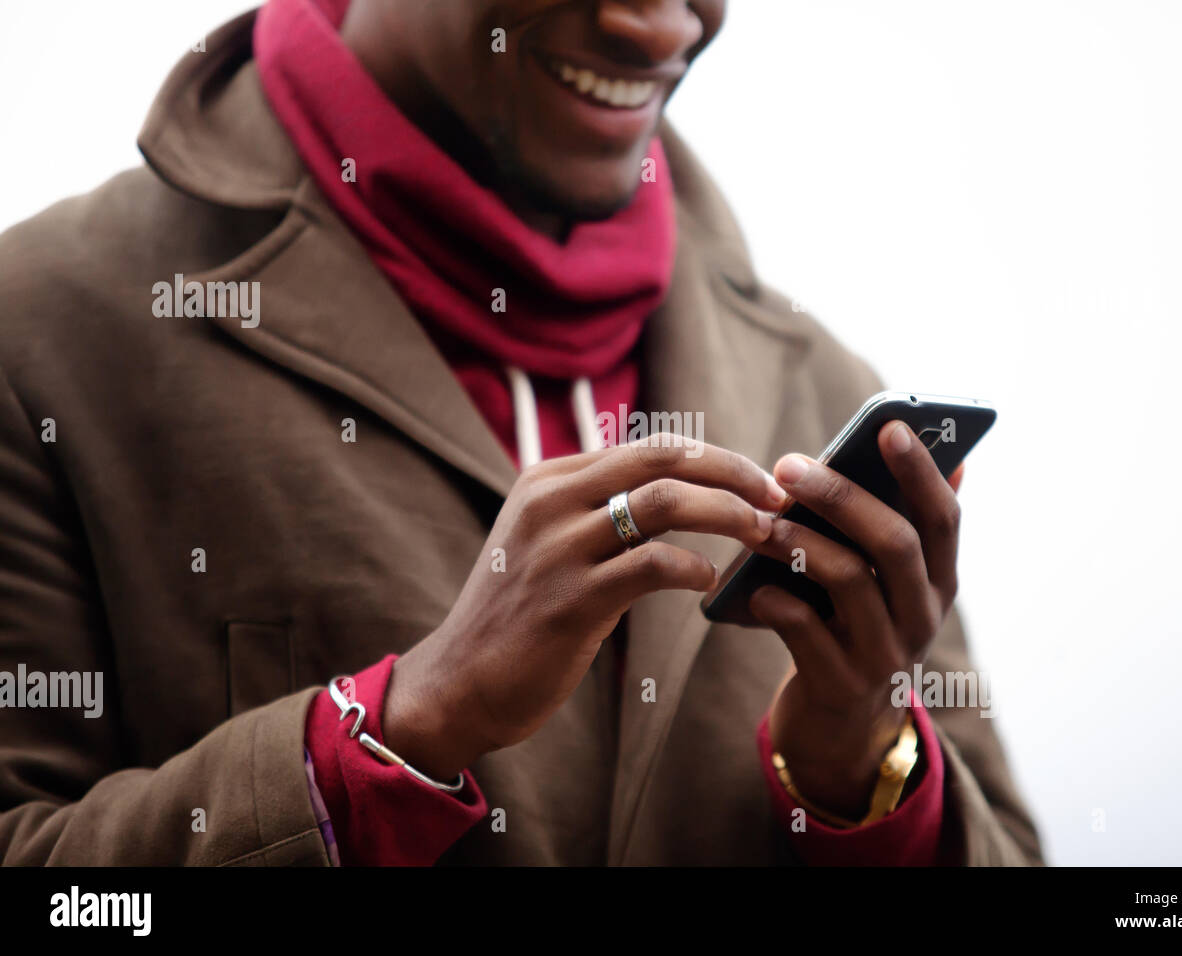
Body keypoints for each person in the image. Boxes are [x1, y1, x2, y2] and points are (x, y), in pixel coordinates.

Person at [0, 0, 1041, 865]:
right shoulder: (41, 328)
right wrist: (385, 736)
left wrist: (857, 766)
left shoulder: (822, 388)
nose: (653, 24)